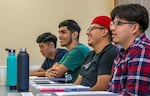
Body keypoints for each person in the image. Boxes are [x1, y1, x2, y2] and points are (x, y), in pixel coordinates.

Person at [108, 4, 150, 95]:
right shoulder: (122, 53)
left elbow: (134, 94)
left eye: (118, 23)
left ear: (134, 28)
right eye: (112, 23)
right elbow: (112, 90)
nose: (112, 28)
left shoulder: (142, 51)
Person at [74, 16, 119, 91]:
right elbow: (78, 83)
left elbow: (101, 87)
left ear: (104, 31)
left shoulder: (110, 53)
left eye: (92, 29)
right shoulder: (90, 54)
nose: (87, 32)